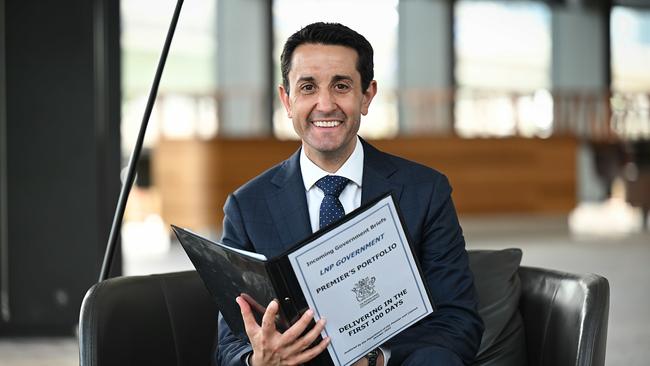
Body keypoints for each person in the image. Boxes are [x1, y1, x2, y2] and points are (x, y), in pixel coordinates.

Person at [216, 22, 484, 366]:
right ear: (286, 99)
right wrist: (259, 361)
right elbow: (230, 344)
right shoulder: (246, 208)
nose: (325, 104)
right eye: (308, 87)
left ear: (367, 95)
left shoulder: (425, 191)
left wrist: (378, 360)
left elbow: (458, 321)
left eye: (341, 86)